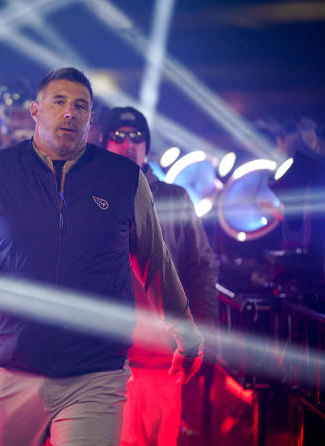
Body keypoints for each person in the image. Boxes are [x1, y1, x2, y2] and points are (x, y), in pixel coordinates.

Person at [0, 67, 203, 446]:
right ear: (36, 111)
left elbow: (155, 263)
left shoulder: (124, 178)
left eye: (81, 105)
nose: (70, 112)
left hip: (96, 371)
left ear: (91, 119)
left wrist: (187, 334)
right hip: (15, 367)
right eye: (59, 102)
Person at [101, 106, 219, 446]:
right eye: (118, 136)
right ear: (104, 142)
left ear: (147, 145)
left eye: (137, 137)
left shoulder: (174, 198)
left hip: (160, 358)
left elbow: (202, 266)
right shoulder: (88, 198)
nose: (128, 143)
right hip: (106, 360)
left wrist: (202, 331)